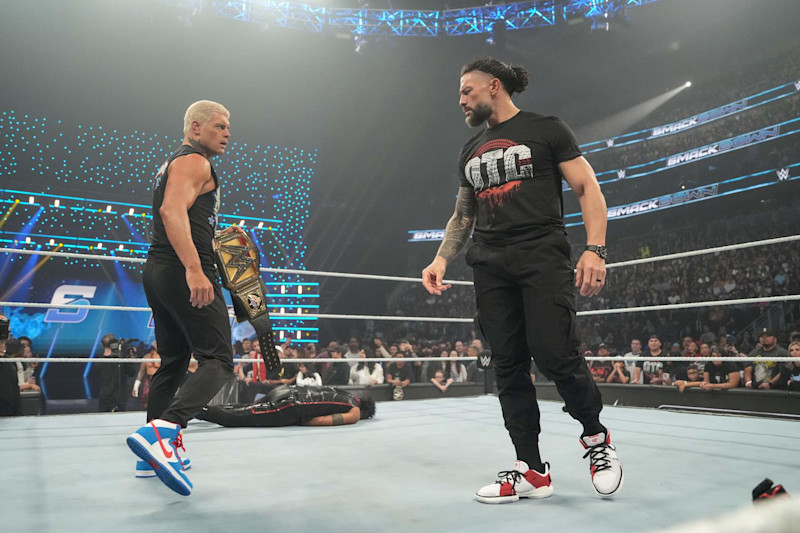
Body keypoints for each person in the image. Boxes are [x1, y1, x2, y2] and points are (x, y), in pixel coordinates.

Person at [421, 58, 621, 503]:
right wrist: (440, 258)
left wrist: (596, 248)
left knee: (556, 353)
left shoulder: (547, 129)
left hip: (541, 256)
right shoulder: (469, 150)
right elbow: (463, 214)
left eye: (466, 91)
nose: (460, 100)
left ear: (493, 87)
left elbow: (587, 187)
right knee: (507, 364)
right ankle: (530, 468)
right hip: (489, 265)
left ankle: (596, 439)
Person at [127, 100, 241, 497]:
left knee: (174, 361)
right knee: (219, 359)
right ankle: (165, 431)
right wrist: (196, 269)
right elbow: (172, 211)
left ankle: (151, 455)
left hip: (157, 269)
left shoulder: (173, 163)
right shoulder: (195, 161)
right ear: (195, 128)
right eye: (220, 126)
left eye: (229, 127)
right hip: (180, 270)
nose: (227, 133)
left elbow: (180, 213)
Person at [196, 385, 376, 427]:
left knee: (244, 407)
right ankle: (193, 409)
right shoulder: (355, 410)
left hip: (284, 391)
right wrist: (301, 422)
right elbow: (320, 420)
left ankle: (193, 408)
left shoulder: (345, 393)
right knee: (241, 417)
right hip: (291, 405)